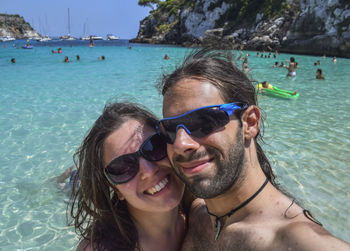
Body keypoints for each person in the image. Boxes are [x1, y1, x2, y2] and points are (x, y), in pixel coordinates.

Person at [156, 48, 350, 250]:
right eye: (168, 129)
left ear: (250, 123)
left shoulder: (295, 241)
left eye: (203, 121)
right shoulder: (197, 212)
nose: (180, 144)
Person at [70, 102, 192, 251]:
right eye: (123, 167)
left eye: (154, 146)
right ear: (115, 188)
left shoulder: (202, 208)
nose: (149, 170)